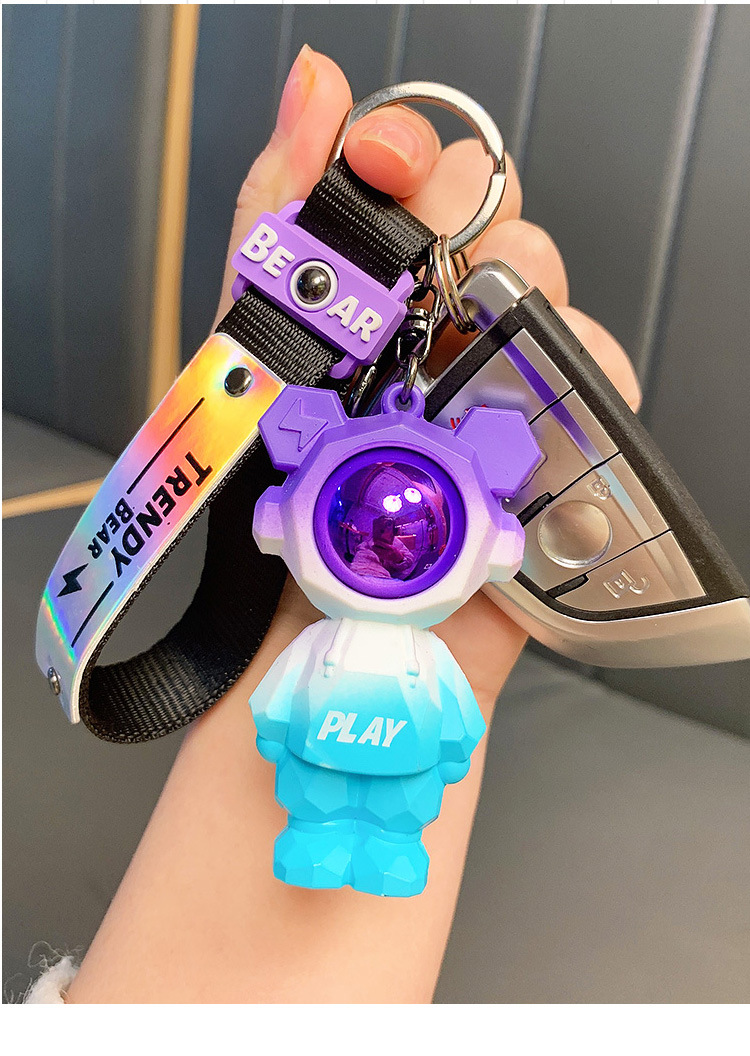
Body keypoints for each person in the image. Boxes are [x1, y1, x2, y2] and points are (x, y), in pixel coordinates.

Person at [44, 46, 640, 1003]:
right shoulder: (324, 606)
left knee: (390, 820)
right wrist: (279, 342)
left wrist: (448, 739)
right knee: (325, 810)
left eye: (408, 539)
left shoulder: (426, 626)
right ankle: (323, 844)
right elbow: (283, 717)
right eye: (367, 534)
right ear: (285, 525)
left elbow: (437, 731)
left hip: (391, 768)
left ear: (486, 545)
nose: (388, 544)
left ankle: (377, 852)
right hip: (317, 768)